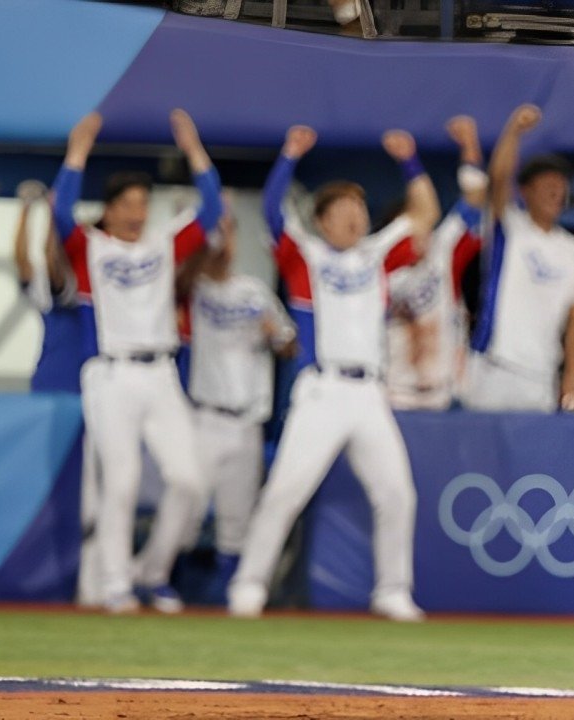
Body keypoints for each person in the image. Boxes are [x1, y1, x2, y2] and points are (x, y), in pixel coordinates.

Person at [227, 124, 439, 622]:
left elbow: (425, 214)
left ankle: (392, 590)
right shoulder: (306, 254)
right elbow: (273, 210)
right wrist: (289, 155)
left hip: (368, 392)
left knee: (396, 493)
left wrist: (410, 161)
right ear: (322, 221)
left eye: (360, 210)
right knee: (286, 490)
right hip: (322, 389)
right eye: (343, 211)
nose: (355, 217)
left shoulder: (378, 254)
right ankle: (249, 585)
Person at [52, 110, 222, 613]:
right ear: (108, 210)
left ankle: (151, 571)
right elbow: (62, 211)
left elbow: (210, 210)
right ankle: (114, 585)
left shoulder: (163, 244)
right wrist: (77, 152)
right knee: (120, 481)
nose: (137, 213)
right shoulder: (91, 248)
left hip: (161, 372)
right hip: (111, 372)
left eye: (143, 204)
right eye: (127, 204)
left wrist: (193, 149)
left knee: (189, 479)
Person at [134, 200, 298, 609]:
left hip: (247, 421)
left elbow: (289, 345)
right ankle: (154, 581)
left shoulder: (254, 291)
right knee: (185, 509)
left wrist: (274, 336)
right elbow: (180, 283)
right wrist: (207, 240)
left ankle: (225, 601)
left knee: (236, 519)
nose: (224, 240)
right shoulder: (193, 289)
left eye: (230, 231)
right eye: (218, 231)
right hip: (205, 416)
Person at [462, 104, 574, 413]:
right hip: (492, 367)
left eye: (559, 186)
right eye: (546, 185)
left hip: (541, 376)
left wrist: (571, 377)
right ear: (526, 191)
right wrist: (514, 130)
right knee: (477, 458)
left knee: (534, 462)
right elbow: (499, 178)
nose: (554, 192)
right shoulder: (509, 227)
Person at [385, 115, 485, 411]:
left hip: (444, 393)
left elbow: (476, 196)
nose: (421, 231)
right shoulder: (376, 263)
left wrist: (469, 145)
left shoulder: (443, 249)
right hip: (392, 393)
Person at [12, 179, 87, 393]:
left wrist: (51, 209)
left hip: (85, 375)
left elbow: (52, 258)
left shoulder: (82, 285)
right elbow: (25, 258)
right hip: (54, 375)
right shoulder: (51, 294)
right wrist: (29, 209)